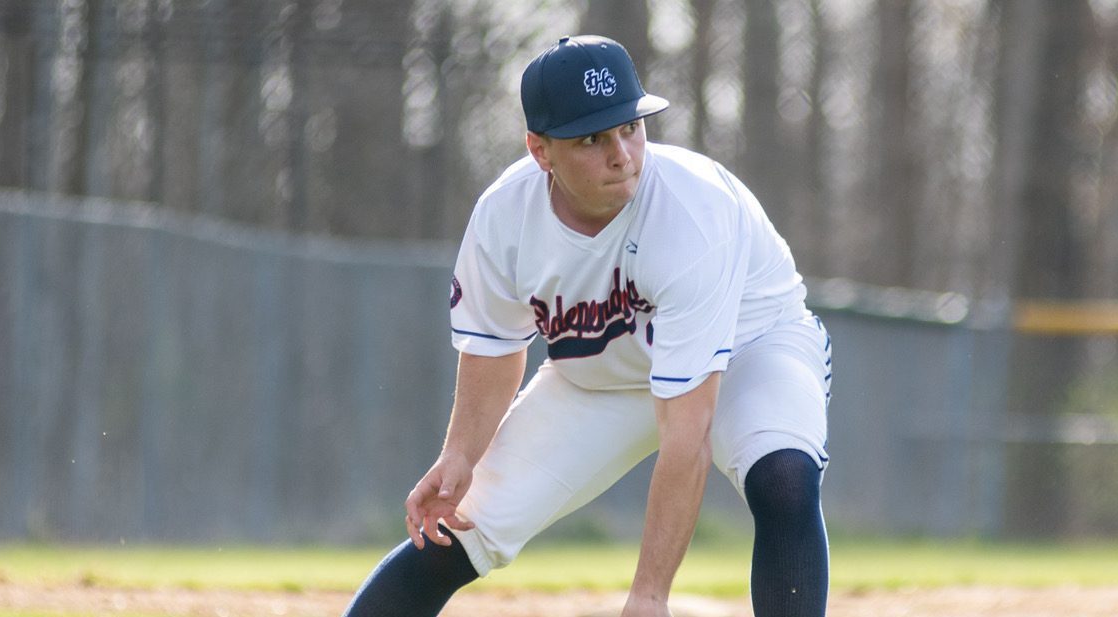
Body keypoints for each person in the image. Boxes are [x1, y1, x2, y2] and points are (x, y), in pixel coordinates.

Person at [344, 35, 832, 617]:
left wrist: (650, 594)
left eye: (630, 126)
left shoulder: (693, 212)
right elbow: (496, 347)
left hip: (752, 348)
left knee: (784, 481)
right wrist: (460, 454)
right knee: (457, 532)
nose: (622, 154)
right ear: (540, 150)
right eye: (592, 139)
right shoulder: (505, 217)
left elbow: (687, 435)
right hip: (602, 378)